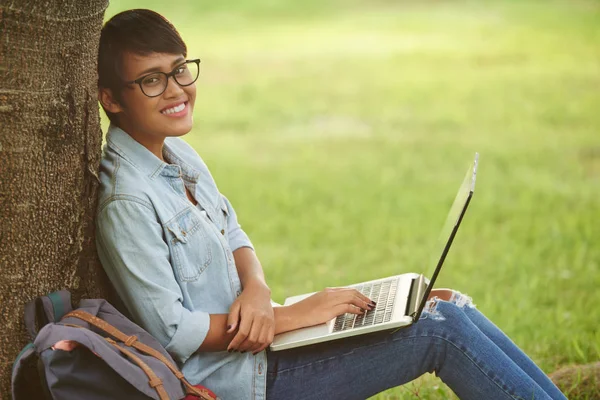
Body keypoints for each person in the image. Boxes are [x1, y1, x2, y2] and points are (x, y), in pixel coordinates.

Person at [95, 9, 566, 400]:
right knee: (440, 331)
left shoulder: (175, 152)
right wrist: (291, 317)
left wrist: (257, 289)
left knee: (444, 304)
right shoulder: (127, 201)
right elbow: (175, 331)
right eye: (152, 81)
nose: (177, 89)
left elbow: (231, 230)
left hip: (268, 349)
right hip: (243, 384)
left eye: (179, 69)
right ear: (111, 99)